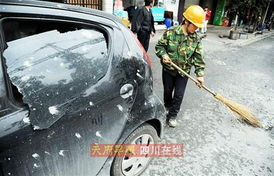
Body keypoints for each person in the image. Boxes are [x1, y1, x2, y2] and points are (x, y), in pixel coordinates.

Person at [155, 5, 206, 127]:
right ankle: (167, 106)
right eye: (195, 26)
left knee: (179, 94)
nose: (196, 29)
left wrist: (200, 75)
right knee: (168, 91)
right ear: (187, 21)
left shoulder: (196, 39)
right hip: (168, 70)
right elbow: (159, 47)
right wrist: (163, 55)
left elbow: (199, 58)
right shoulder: (171, 32)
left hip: (184, 72)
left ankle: (173, 115)